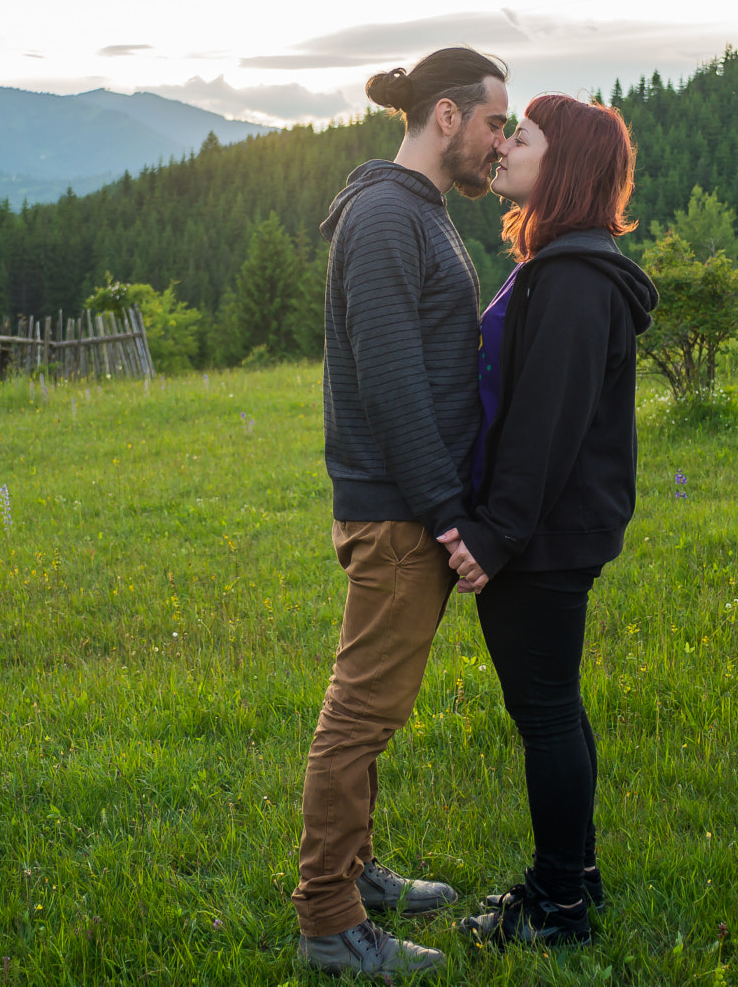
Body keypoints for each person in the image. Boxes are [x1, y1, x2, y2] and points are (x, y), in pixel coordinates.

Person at [293, 47, 512, 979]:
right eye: (497, 123)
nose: (502, 145)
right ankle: (329, 920)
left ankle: (358, 871)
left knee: (376, 712)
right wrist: (446, 514)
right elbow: (389, 382)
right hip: (396, 513)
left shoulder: (414, 210)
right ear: (449, 117)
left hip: (409, 506)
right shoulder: (387, 216)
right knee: (360, 711)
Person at [437, 93, 656, 948]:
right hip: (554, 531)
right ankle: (576, 880)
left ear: (560, 162)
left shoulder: (571, 278)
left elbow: (545, 424)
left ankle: (560, 903)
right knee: (556, 708)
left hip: (544, 536)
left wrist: (494, 536)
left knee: (548, 716)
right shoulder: (563, 263)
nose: (505, 147)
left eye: (520, 136)